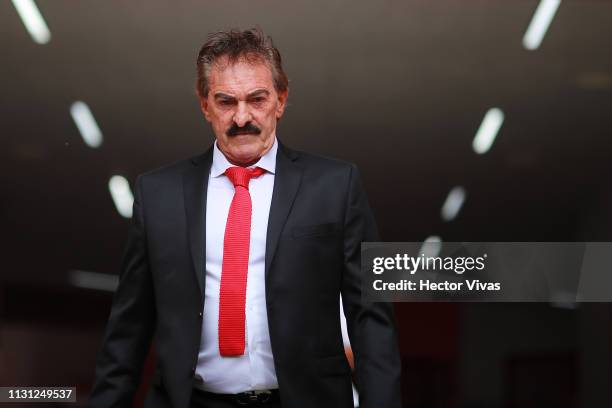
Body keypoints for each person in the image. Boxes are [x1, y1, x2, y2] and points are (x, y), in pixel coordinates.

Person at [89, 27, 401, 408]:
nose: (242, 117)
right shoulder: (158, 195)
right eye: (225, 102)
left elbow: (369, 314)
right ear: (205, 105)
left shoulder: (336, 186)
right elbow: (129, 328)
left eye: (257, 99)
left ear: (281, 100)